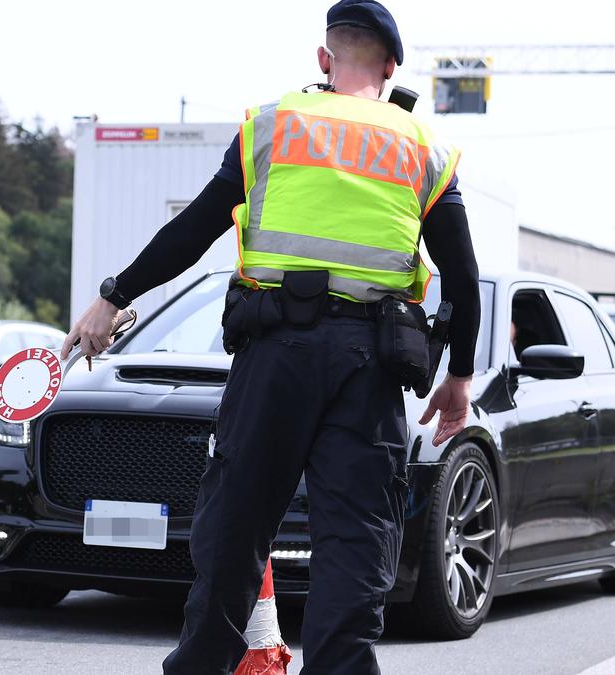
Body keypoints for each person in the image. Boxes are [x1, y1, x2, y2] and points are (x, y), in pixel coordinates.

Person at [61, 1, 480, 672]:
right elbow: (462, 276)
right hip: (368, 369)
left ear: (324, 59)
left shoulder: (272, 126)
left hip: (274, 357)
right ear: (392, 68)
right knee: (354, 543)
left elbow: (194, 230)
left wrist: (114, 296)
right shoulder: (423, 147)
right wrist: (458, 376)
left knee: (234, 533)